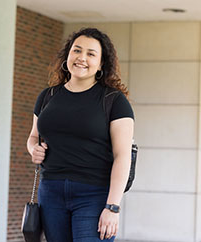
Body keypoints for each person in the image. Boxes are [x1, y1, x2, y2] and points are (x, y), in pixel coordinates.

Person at [26, 28, 134, 242]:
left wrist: (112, 207)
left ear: (101, 64)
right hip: (51, 193)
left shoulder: (114, 100)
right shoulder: (48, 96)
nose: (81, 58)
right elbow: (33, 137)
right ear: (67, 55)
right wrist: (33, 150)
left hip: (94, 194)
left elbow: (123, 156)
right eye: (77, 50)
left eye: (91, 54)